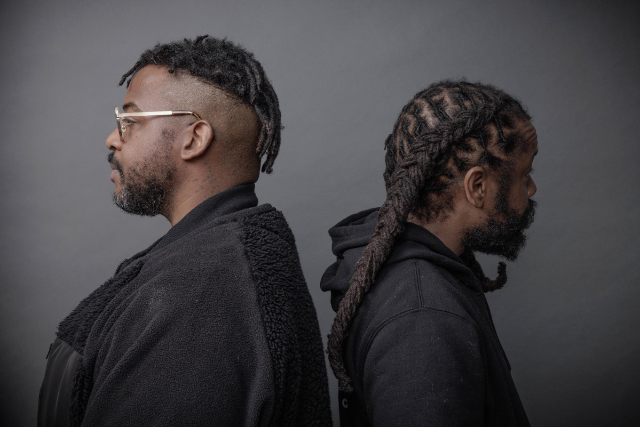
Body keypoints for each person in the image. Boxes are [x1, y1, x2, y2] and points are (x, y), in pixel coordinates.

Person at [38, 35, 332, 427]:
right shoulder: (214, 264)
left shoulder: (200, 299)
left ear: (194, 138)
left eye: (129, 121)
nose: (112, 139)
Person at [321, 81, 538, 426]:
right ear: (477, 186)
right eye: (525, 175)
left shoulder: (418, 275)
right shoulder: (422, 322)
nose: (532, 189)